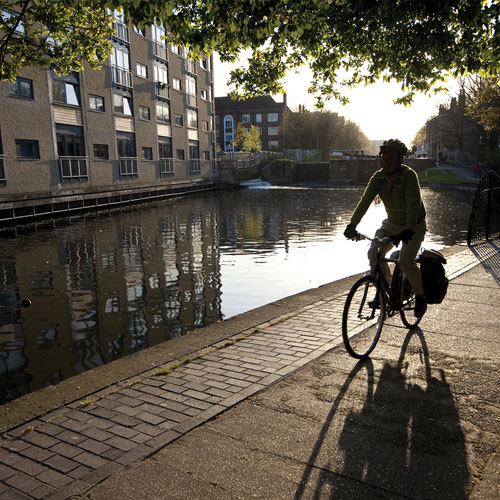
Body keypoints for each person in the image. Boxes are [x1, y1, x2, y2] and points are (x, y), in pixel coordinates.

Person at [344, 139, 427, 317]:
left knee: (405, 261)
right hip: (391, 223)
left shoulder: (409, 176)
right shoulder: (378, 178)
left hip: (414, 225)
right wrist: (352, 224)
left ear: (400, 160)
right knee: (373, 253)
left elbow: (413, 204)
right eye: (383, 158)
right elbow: (365, 201)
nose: (386, 162)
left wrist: (409, 229)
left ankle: (420, 296)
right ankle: (385, 293)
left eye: (390, 158)